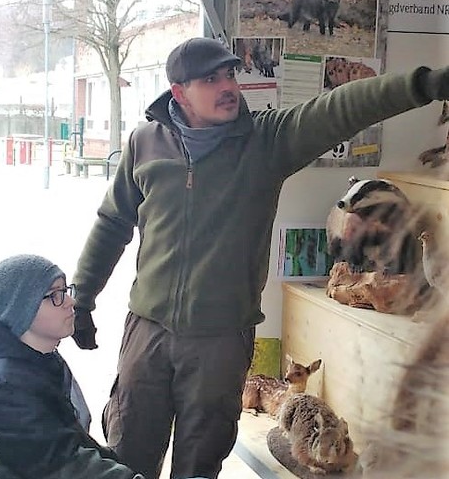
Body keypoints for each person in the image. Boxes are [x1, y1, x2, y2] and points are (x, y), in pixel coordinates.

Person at [70, 36, 449, 479]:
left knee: (200, 460)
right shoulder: (145, 144)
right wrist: (82, 296)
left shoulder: (267, 141)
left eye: (230, 74)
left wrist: (425, 84)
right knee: (129, 449)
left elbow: (343, 107)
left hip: (220, 339)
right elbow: (113, 222)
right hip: (147, 332)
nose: (228, 85)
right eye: (210, 79)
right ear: (179, 93)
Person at [0, 254, 144, 479]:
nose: (71, 302)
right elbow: (63, 465)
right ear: (22, 308)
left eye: (66, 291)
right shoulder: (1, 387)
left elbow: (72, 443)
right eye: (55, 295)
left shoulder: (39, 360)